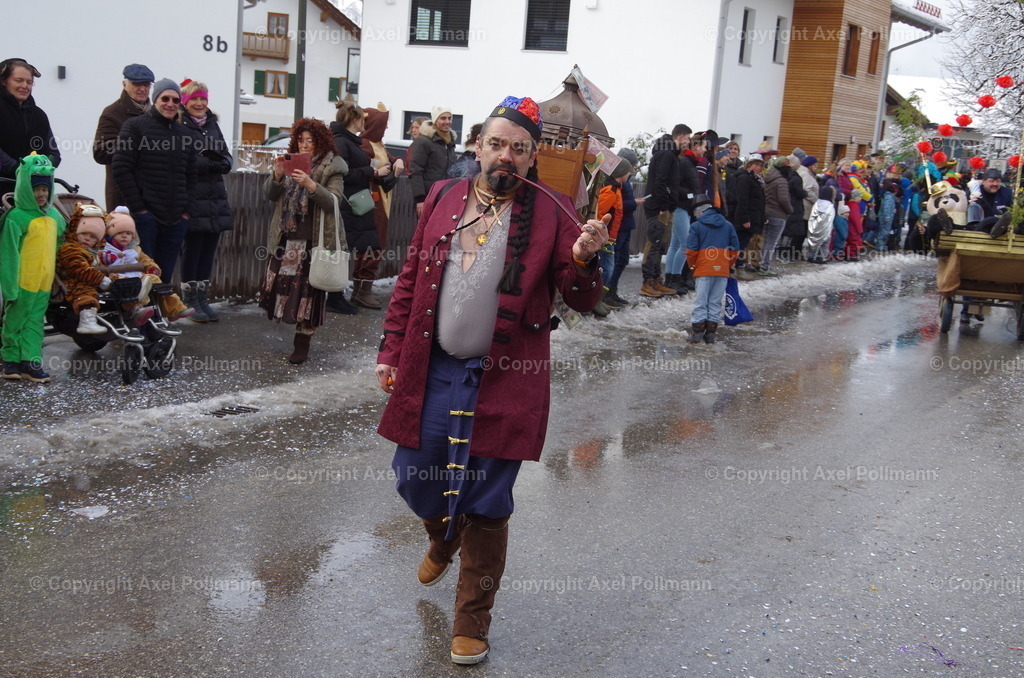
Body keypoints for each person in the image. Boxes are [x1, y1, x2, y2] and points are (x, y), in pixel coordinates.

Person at [374, 95, 607, 665]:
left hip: (507, 376)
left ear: (532, 157)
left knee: (488, 499)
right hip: (433, 367)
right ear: (477, 146)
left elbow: (581, 298)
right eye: (497, 144)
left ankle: (472, 619)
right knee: (414, 475)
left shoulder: (552, 210)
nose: (507, 155)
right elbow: (410, 278)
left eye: (519, 148)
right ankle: (442, 534)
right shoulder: (442, 196)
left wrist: (582, 259)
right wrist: (391, 349)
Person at [259, 118, 347, 365]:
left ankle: (302, 342)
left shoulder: (333, 165)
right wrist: (277, 175)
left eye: (310, 140)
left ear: (321, 141)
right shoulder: (291, 162)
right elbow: (270, 194)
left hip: (313, 243)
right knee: (285, 291)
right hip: (287, 239)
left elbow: (334, 202)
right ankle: (294, 331)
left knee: (308, 294)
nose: (305, 145)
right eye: (301, 140)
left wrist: (311, 185)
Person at [112, 78, 197, 280]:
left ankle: (162, 303)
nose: (170, 104)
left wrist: (186, 212)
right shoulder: (135, 126)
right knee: (143, 277)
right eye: (165, 98)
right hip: (145, 219)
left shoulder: (185, 134)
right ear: (156, 99)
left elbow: (192, 175)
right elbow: (121, 167)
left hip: (176, 220)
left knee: (164, 279)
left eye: (175, 100)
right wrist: (139, 209)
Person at [0, 153, 65, 383]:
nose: (41, 194)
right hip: (22, 281)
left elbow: (63, 243)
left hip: (43, 283)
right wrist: (9, 286)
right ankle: (10, 361)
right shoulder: (16, 217)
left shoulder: (55, 216)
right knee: (15, 320)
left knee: (35, 322)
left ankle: (31, 362)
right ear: (25, 189)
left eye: (44, 189)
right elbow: (8, 254)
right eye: (36, 189)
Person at [176, 79, 233, 322]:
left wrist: (223, 162)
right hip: (192, 196)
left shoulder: (212, 125)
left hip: (214, 197)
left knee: (209, 250)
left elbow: (226, 156)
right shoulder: (180, 125)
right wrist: (210, 163)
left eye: (203, 99)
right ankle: (189, 300)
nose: (199, 103)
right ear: (185, 102)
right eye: (194, 99)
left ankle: (202, 298)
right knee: (192, 249)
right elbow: (184, 160)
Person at [332, 101, 386, 311]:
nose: (365, 123)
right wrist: (372, 172)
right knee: (341, 250)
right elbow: (342, 174)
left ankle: (342, 295)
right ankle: (334, 297)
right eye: (362, 119)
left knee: (350, 248)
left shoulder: (349, 141)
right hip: (347, 203)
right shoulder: (341, 142)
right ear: (354, 120)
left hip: (355, 203)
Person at [102, 209, 192, 321]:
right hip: (117, 277)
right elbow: (99, 263)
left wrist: (152, 267)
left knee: (155, 280)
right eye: (120, 233)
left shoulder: (135, 249)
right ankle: (136, 309)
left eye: (128, 233)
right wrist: (106, 260)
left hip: (137, 276)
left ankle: (174, 309)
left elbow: (145, 260)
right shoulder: (106, 249)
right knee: (125, 285)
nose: (124, 236)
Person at [92, 64, 154, 211]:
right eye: (137, 84)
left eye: (146, 84)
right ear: (124, 84)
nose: (143, 89)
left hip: (152, 195)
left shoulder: (156, 114)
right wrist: (136, 145)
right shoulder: (112, 113)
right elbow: (100, 153)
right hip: (123, 195)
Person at [640, 124, 690, 297]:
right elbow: (660, 182)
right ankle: (647, 283)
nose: (688, 142)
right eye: (688, 138)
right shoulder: (666, 153)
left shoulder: (672, 154)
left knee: (661, 245)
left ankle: (656, 280)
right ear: (681, 136)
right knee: (654, 243)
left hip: (667, 206)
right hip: (658, 207)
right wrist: (662, 206)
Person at [685, 196, 739, 345]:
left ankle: (697, 334)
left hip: (703, 268)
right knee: (715, 302)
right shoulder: (728, 225)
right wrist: (726, 265)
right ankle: (710, 336)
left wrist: (692, 266)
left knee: (701, 301)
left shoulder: (696, 226)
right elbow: (735, 250)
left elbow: (691, 251)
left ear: (700, 213)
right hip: (722, 269)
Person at [0, 58, 60, 180]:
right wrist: (20, 169)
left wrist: (43, 168)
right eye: (18, 80)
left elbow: (53, 153)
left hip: (34, 186)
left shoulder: (39, 115)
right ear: (4, 81)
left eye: (29, 82)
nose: (24, 86)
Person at [360, 102, 405, 263]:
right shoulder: (365, 144)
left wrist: (398, 160)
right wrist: (377, 173)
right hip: (373, 200)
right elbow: (361, 169)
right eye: (384, 124)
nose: (386, 128)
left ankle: (365, 277)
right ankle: (364, 277)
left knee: (377, 241)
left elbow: (390, 158)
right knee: (373, 242)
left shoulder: (377, 144)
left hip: (380, 199)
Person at [664, 131, 703, 293]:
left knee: (675, 245)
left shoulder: (689, 162)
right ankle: (674, 278)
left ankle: (670, 279)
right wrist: (690, 195)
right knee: (685, 245)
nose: (705, 150)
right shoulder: (684, 162)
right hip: (680, 207)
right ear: (696, 147)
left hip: (683, 208)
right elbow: (675, 185)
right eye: (703, 147)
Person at [596, 155, 633, 311]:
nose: (630, 173)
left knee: (606, 268)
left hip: (610, 237)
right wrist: (601, 234)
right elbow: (599, 213)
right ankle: (596, 301)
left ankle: (598, 299)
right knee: (606, 269)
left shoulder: (616, 189)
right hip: (605, 238)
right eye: (628, 171)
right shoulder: (611, 191)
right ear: (621, 172)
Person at [605, 147, 640, 305]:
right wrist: (634, 203)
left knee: (621, 259)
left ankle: (611, 291)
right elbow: (615, 207)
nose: (632, 169)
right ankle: (607, 293)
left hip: (624, 225)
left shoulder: (623, 182)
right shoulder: (616, 184)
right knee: (614, 261)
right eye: (632, 166)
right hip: (618, 228)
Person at [410, 106, 457, 215]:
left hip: (445, 195)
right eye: (443, 118)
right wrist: (420, 199)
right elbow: (416, 170)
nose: (447, 121)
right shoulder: (424, 141)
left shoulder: (449, 142)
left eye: (449, 118)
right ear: (435, 120)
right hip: (428, 197)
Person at [731, 154, 766, 272]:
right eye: (756, 164)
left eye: (760, 165)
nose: (759, 167)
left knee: (744, 241)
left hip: (753, 215)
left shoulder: (755, 178)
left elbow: (759, 200)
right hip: (746, 216)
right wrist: (745, 218)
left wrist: (762, 217)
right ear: (749, 165)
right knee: (740, 241)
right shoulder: (744, 178)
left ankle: (738, 263)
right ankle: (735, 263)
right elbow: (742, 199)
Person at [759, 157, 792, 276]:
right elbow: (783, 200)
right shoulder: (782, 181)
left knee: (766, 240)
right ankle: (765, 266)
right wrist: (790, 210)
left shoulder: (768, 178)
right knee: (771, 242)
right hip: (778, 214)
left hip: (767, 212)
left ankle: (760, 263)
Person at [970, 168, 1014, 235]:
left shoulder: (1006, 193)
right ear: (983, 181)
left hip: (1000, 231)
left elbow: (1012, 210)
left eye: (998, 181)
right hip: (977, 229)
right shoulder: (975, 192)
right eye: (991, 181)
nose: (995, 184)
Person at [804, 185, 836, 264]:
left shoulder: (816, 204)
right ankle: (822, 257)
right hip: (825, 229)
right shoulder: (830, 206)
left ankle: (811, 256)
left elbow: (812, 216)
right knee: (824, 243)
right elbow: (830, 218)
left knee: (813, 242)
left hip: (814, 227)